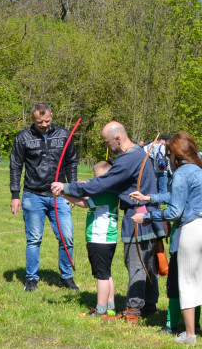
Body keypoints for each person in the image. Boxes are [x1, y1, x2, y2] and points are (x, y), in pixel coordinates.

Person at [51, 122, 165, 324]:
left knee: (137, 264)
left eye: (107, 142)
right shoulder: (139, 154)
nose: (106, 146)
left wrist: (66, 187)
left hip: (137, 219)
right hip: (149, 217)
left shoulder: (128, 158)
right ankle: (149, 305)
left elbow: (104, 183)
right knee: (147, 265)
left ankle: (134, 310)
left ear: (118, 138)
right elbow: (110, 183)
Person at [129, 132, 202, 345]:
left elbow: (174, 211)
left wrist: (146, 216)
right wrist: (150, 197)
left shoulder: (183, 172)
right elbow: (178, 195)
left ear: (175, 154)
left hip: (193, 229)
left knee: (186, 281)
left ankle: (190, 334)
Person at [9, 103, 78, 292]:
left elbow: (71, 162)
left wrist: (72, 191)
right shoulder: (23, 138)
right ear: (33, 120)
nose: (45, 124)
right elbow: (15, 166)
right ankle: (31, 278)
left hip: (60, 195)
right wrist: (15, 195)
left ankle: (67, 277)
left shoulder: (64, 135)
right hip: (33, 195)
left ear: (52, 116)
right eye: (40, 122)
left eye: (47, 120)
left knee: (67, 238)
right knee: (34, 239)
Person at [60, 161, 118, 318]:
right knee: (106, 273)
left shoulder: (104, 192)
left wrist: (64, 194)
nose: (95, 182)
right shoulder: (109, 190)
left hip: (100, 239)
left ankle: (101, 309)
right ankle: (110, 306)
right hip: (107, 239)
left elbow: (85, 203)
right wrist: (82, 188)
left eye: (98, 178)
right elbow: (88, 193)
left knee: (102, 276)